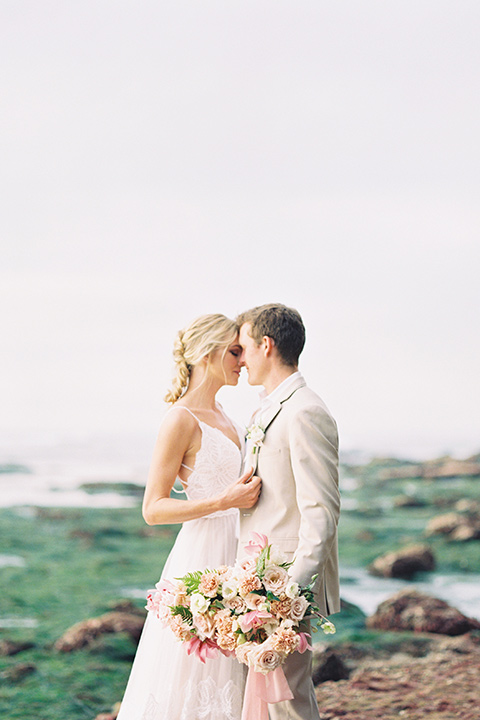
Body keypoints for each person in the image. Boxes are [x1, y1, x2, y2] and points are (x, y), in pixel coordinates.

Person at [116, 313, 261, 720]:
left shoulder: (230, 418)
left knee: (233, 669)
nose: (242, 360)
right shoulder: (181, 419)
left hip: (240, 555)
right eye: (235, 351)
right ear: (206, 352)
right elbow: (153, 508)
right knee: (194, 673)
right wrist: (222, 502)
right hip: (201, 557)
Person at [236, 303, 340, 720]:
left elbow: (321, 512)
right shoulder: (267, 408)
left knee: (287, 702)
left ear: (266, 345)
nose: (239, 360)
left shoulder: (304, 411)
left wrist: (291, 591)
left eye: (242, 348)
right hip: (255, 576)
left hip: (284, 583)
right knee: (271, 700)